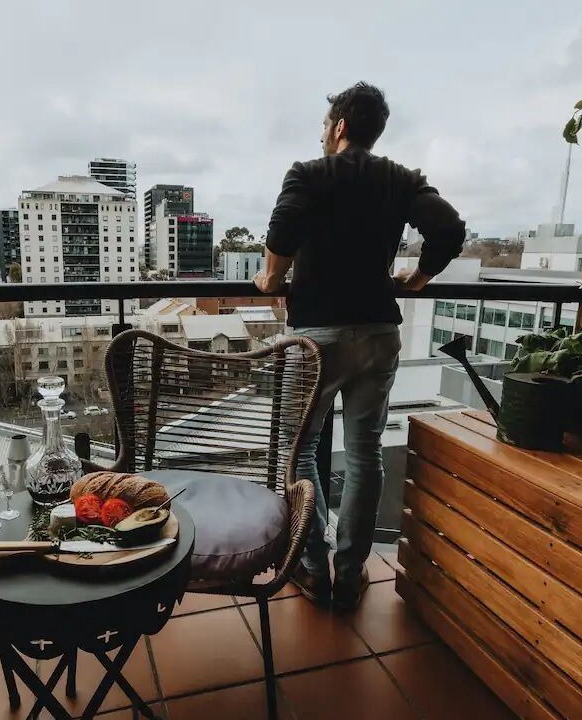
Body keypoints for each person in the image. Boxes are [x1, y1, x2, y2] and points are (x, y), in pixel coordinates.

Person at [253, 81, 466, 610]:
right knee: (366, 454)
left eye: (325, 125)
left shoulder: (308, 173)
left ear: (340, 126)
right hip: (377, 333)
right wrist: (419, 278)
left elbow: (282, 228)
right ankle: (350, 574)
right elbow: (448, 227)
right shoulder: (400, 179)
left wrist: (271, 278)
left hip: (316, 338)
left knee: (300, 449)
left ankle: (310, 565)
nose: (323, 134)